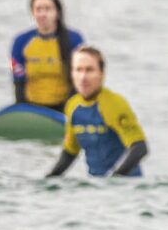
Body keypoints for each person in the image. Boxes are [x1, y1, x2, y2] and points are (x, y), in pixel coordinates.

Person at [47, 45, 148, 178]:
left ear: (101, 73)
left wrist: (114, 180)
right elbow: (70, 152)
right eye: (78, 70)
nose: (83, 77)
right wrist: (48, 180)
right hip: (95, 188)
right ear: (72, 74)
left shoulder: (114, 104)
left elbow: (139, 148)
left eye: (89, 70)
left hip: (126, 187)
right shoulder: (72, 106)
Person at [10, 0, 84, 111]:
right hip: (32, 107)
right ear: (32, 13)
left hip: (64, 106)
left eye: (48, 9)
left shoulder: (74, 39)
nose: (43, 14)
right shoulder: (21, 42)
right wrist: (22, 111)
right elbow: (18, 82)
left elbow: (79, 80)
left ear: (57, 12)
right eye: (38, 9)